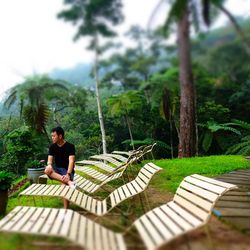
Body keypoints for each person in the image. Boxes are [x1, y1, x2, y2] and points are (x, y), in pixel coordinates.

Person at [44, 126, 75, 209]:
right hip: (57, 170)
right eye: (52, 136)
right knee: (47, 170)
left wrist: (68, 174)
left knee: (64, 186)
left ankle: (66, 210)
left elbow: (71, 161)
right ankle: (69, 182)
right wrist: (50, 165)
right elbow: (49, 161)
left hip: (67, 170)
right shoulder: (52, 147)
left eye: (54, 136)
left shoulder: (70, 146)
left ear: (60, 136)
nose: (52, 138)